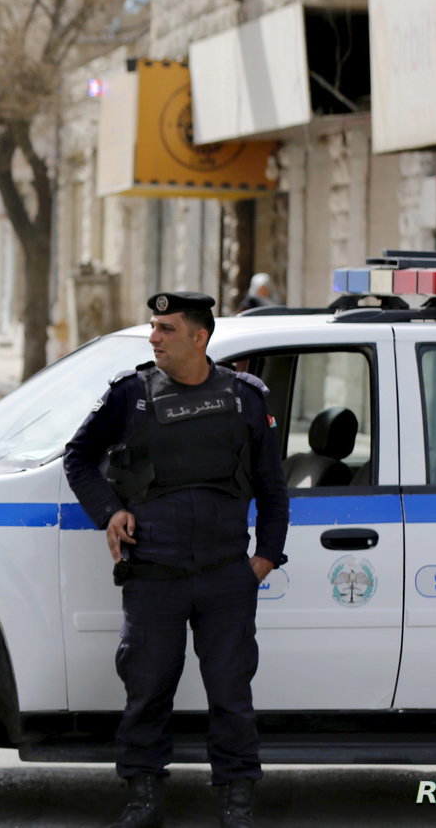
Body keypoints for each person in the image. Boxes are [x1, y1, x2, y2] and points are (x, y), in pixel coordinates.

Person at [63, 292, 288, 828]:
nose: (154, 337)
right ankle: (143, 795)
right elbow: (78, 458)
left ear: (199, 337)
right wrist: (110, 512)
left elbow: (272, 487)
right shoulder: (131, 394)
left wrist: (265, 558)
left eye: (166, 328)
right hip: (153, 574)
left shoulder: (245, 397)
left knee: (231, 693)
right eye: (153, 326)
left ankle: (237, 795)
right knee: (147, 690)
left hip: (225, 575)